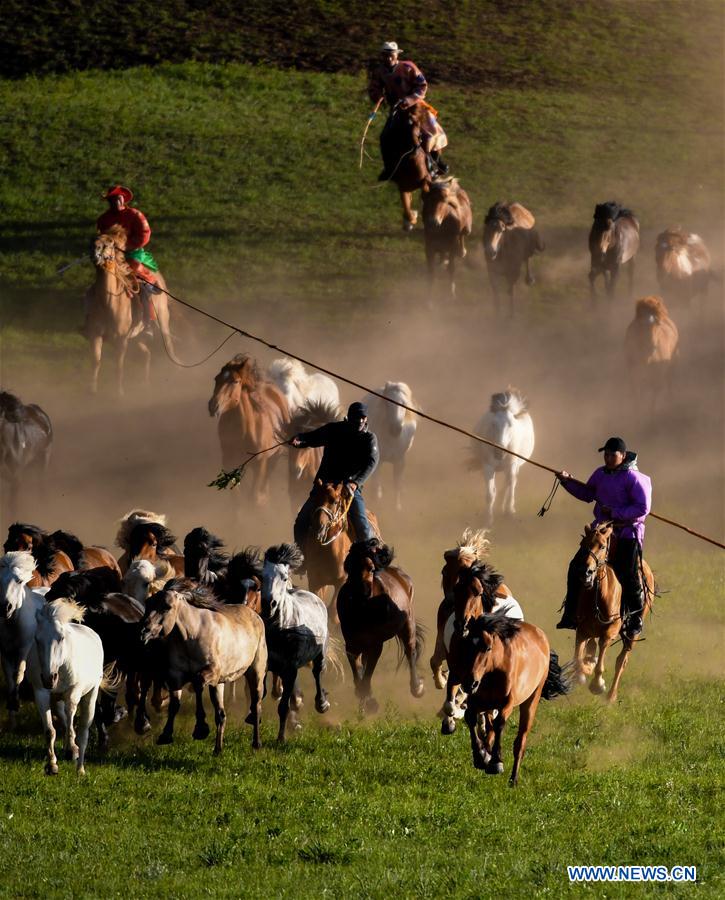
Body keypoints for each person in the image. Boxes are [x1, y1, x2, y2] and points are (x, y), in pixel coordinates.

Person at [555, 437, 652, 640]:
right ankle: (571, 614)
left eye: (612, 454)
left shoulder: (635, 478)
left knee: (628, 573)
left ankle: (635, 619)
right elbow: (587, 493)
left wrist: (614, 512)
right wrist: (567, 482)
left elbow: (642, 509)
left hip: (626, 533)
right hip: (600, 532)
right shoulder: (600, 474)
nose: (607, 458)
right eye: (605, 454)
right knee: (576, 566)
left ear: (623, 456)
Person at [291, 402, 379, 567]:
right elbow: (313, 438)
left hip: (349, 490)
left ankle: (371, 566)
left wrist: (355, 483)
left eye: (362, 417)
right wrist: (300, 439)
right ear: (349, 417)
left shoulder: (369, 439)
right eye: (356, 417)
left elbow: (371, 463)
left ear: (366, 418)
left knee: (362, 526)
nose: (359, 421)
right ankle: (302, 560)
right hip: (324, 488)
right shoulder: (334, 430)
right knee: (301, 522)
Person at [368, 41, 449, 179]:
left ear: (396, 55)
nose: (388, 58)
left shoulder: (408, 67)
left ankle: (436, 161)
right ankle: (388, 168)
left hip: (416, 107)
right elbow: (374, 88)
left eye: (391, 55)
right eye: (385, 55)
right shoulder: (379, 72)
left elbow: (422, 86)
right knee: (384, 137)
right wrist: (378, 96)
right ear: (382, 56)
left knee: (430, 132)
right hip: (396, 109)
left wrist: (408, 100)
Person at [95, 185, 161, 333]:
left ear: (123, 199)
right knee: (100, 280)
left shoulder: (135, 215)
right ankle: (92, 320)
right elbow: (100, 237)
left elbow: (145, 234)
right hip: (111, 255)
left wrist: (127, 246)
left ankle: (149, 320)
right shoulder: (103, 219)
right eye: (112, 200)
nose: (116, 202)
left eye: (118, 199)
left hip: (132, 253)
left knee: (138, 278)